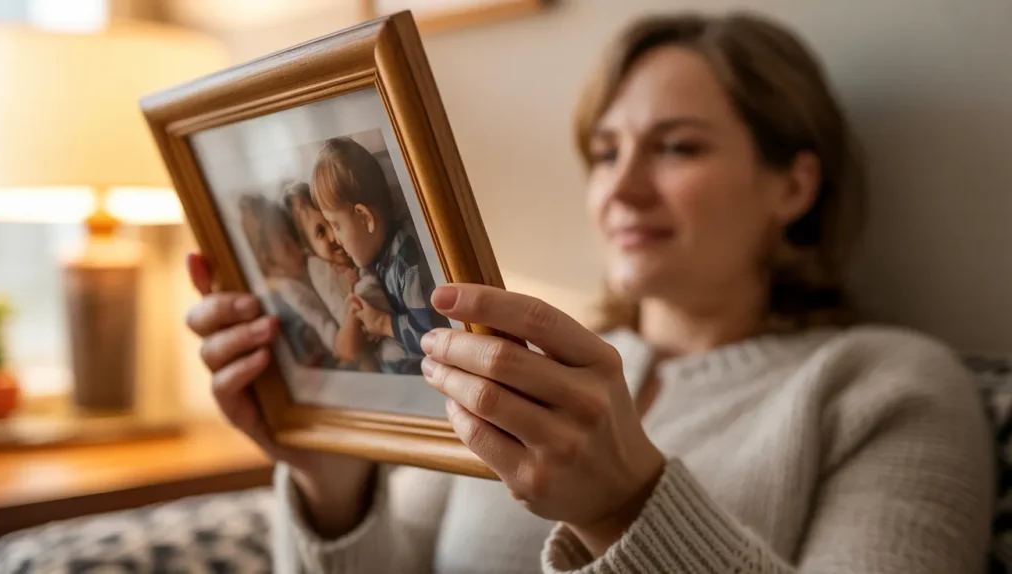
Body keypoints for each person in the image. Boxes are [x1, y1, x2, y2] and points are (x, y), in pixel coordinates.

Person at [185, 12, 993, 573]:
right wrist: (328, 478)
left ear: (794, 185)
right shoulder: (514, 364)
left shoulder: (888, 386)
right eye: (605, 153)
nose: (622, 188)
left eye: (676, 148)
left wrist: (626, 506)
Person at [310, 136, 448, 374]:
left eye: (337, 225)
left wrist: (383, 324)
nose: (336, 238)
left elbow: (433, 336)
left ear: (365, 218)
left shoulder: (407, 261)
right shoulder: (375, 255)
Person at [282, 180, 394, 371]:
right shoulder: (326, 275)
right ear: (310, 249)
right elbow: (349, 349)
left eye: (333, 223)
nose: (334, 236)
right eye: (320, 231)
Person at [237, 194, 335, 369]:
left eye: (294, 236)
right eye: (287, 243)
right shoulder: (289, 292)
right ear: (270, 261)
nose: (298, 248)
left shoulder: (304, 271)